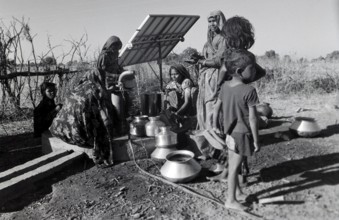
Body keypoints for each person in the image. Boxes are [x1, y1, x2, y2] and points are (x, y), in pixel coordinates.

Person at [50, 36, 125, 167]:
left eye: (118, 49)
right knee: (104, 119)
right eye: (116, 48)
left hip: (59, 129)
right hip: (80, 135)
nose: (117, 51)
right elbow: (105, 117)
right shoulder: (104, 58)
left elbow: (109, 71)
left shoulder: (81, 88)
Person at [212, 49, 260, 211]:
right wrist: (256, 140)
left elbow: (216, 108)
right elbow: (253, 119)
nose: (254, 71)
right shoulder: (249, 91)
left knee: (235, 165)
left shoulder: (225, 86)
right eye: (252, 68)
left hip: (230, 133)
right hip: (242, 134)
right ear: (240, 71)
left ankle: (238, 192)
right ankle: (230, 200)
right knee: (233, 169)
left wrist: (214, 125)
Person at [194, 10, 227, 130]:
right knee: (206, 106)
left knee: (213, 105)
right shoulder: (210, 40)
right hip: (207, 78)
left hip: (216, 77)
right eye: (209, 22)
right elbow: (210, 58)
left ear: (220, 21)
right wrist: (199, 59)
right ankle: (208, 133)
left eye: (214, 21)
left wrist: (202, 62)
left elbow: (219, 61)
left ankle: (216, 134)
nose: (212, 24)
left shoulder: (223, 38)